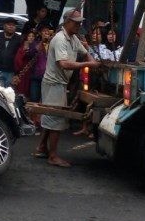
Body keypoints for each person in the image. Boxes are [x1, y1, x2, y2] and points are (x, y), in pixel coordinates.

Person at [33, 9, 100, 168]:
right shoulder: (60, 39)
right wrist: (89, 64)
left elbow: (85, 53)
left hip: (59, 83)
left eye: (80, 22)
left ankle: (42, 148)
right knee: (56, 118)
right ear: (67, 22)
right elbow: (63, 63)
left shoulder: (73, 38)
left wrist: (91, 60)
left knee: (51, 116)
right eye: (76, 22)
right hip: (54, 83)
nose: (79, 25)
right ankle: (53, 156)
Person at [0, 17, 22, 87]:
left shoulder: (19, 39)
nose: (11, 27)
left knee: (9, 94)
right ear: (4, 26)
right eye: (9, 25)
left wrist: (17, 74)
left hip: (11, 71)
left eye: (13, 25)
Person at [13, 31, 37, 98]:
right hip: (22, 71)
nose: (31, 38)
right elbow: (18, 59)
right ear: (26, 37)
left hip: (31, 72)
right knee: (21, 88)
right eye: (29, 36)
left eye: (33, 36)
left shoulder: (36, 47)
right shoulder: (22, 46)